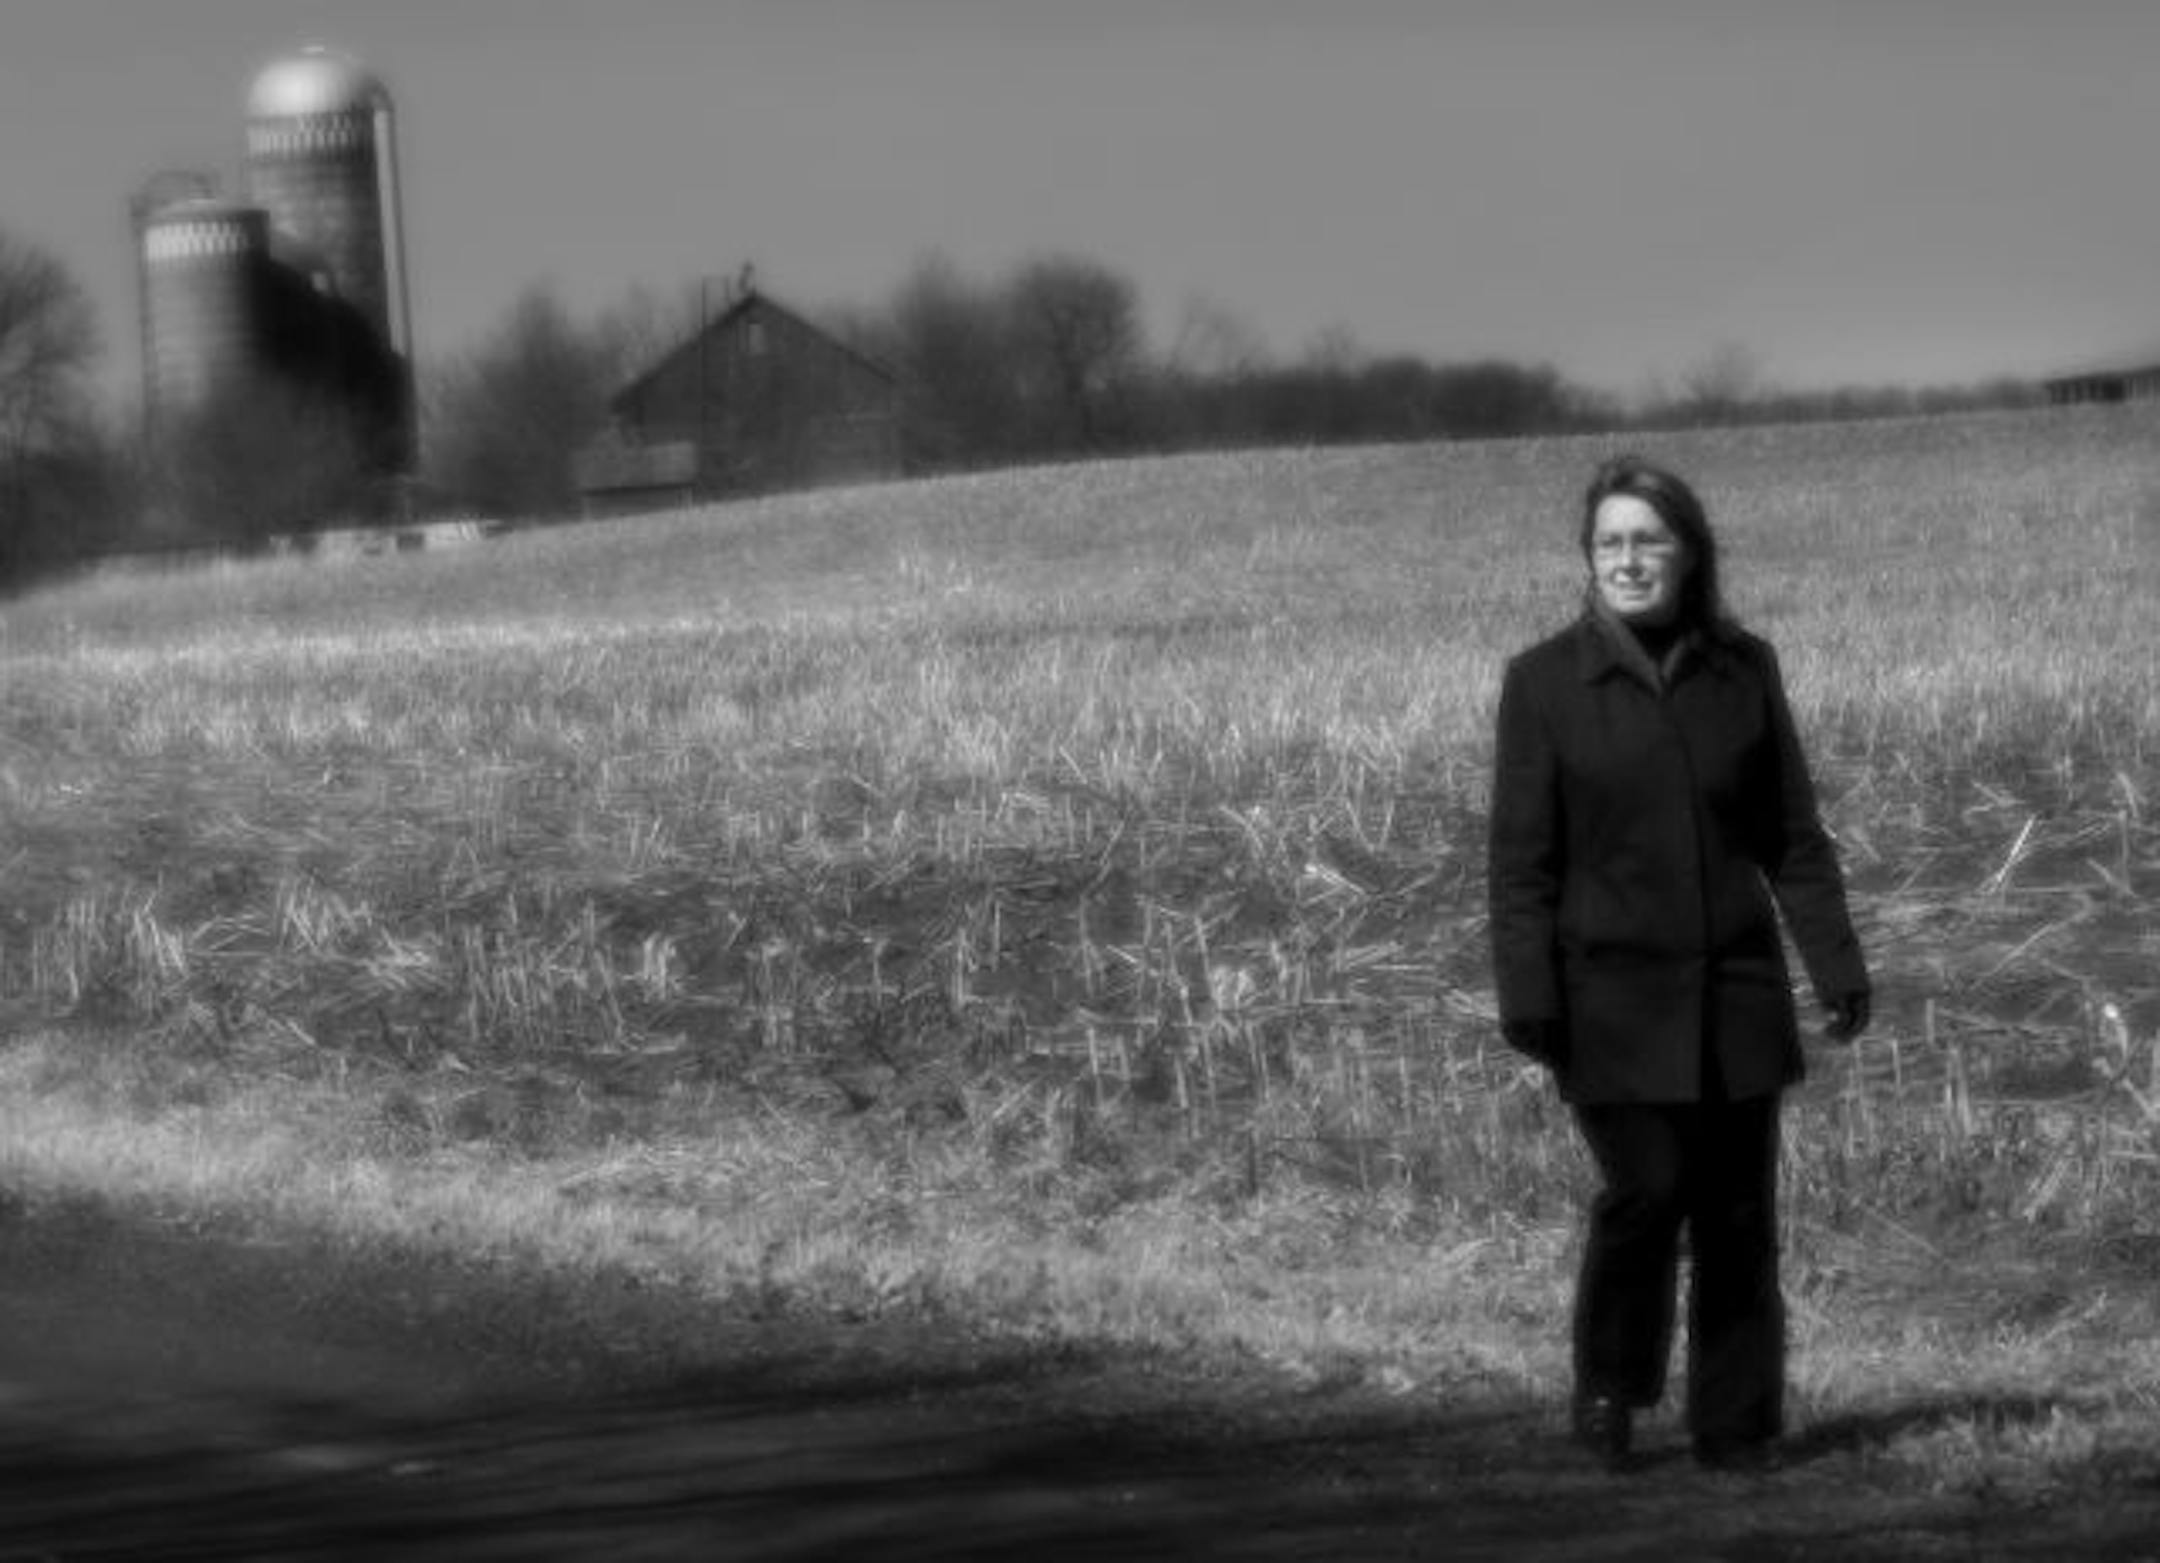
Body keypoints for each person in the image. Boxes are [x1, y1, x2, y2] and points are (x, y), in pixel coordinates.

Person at [1486, 454, 1870, 1473]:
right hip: (1606, 1003)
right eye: (1609, 542)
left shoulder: (1745, 673)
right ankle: (1610, 1383)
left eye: (1647, 540)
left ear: (1689, 554)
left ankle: (1736, 1424)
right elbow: (1520, 864)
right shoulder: (1543, 684)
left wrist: (1834, 962)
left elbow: (1791, 835)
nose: (1627, 559)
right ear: (1588, 558)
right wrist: (1527, 994)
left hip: (1735, 993)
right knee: (1648, 1190)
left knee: (1739, 1212)